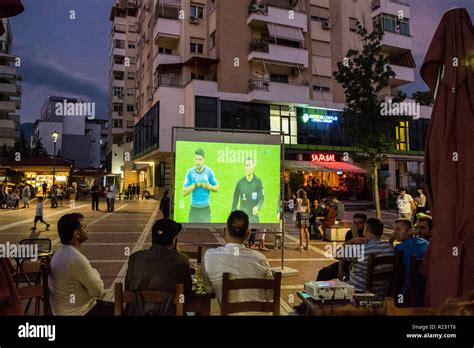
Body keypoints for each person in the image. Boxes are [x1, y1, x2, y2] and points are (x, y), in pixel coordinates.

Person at [202, 211, 273, 304]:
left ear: (224, 231)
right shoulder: (260, 259)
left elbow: (208, 290)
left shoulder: (209, 256)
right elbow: (270, 294)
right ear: (248, 234)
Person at [49, 213, 113, 316]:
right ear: (77, 233)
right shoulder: (75, 259)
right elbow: (98, 291)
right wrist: (95, 273)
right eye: (84, 227)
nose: (87, 230)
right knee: (121, 309)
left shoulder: (60, 253)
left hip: (63, 311)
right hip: (81, 312)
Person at [125, 219, 192, 314]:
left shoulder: (134, 259)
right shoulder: (181, 260)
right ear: (174, 240)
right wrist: (178, 254)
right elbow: (187, 291)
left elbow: (128, 288)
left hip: (137, 312)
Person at [336, 218, 394, 297]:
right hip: (381, 292)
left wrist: (352, 241)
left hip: (357, 292)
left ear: (366, 229)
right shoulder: (389, 247)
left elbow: (337, 254)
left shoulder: (360, 249)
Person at [315, 213, 368, 282]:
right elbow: (343, 252)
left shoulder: (367, 235)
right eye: (354, 223)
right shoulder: (349, 233)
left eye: (360, 223)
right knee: (323, 273)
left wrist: (355, 234)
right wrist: (340, 269)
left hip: (357, 265)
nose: (357, 226)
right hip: (347, 262)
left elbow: (358, 252)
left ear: (365, 224)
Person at [390, 218, 429, 296]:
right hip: (425, 287)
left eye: (398, 229)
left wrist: (391, 241)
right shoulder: (425, 243)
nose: (395, 233)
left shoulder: (399, 248)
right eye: (394, 230)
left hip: (406, 289)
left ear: (410, 231)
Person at [182, 148, 219, 223]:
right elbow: (184, 192)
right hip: (193, 209)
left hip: (205, 209)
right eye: (196, 159)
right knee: (191, 232)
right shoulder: (190, 172)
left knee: (207, 232)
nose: (198, 162)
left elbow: (217, 188)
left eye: (200, 159)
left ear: (203, 160)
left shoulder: (209, 171)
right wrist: (195, 185)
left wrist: (206, 186)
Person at [231, 158, 264, 224]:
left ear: (253, 166)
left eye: (250, 165)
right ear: (244, 167)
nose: (248, 168)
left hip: (254, 217)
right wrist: (234, 213)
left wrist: (258, 207)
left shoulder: (258, 182)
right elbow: (235, 199)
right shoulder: (240, 182)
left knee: (254, 234)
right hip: (242, 217)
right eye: (246, 165)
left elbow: (261, 197)